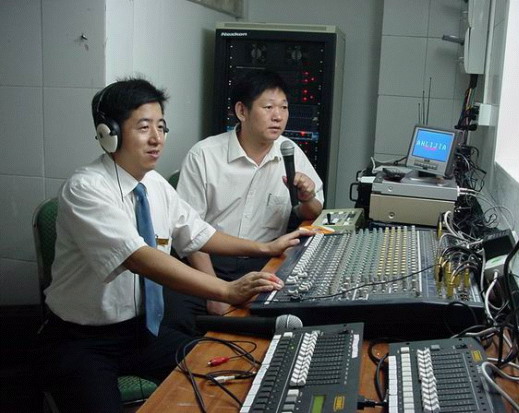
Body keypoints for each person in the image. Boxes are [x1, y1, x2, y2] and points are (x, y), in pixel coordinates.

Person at [40, 77, 307, 413]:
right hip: (81, 341)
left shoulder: (154, 184)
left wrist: (265, 249)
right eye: (144, 127)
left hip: (141, 331)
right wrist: (226, 290)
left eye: (161, 126)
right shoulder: (86, 188)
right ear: (109, 134)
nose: (157, 138)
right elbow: (139, 258)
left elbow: (199, 233)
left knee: (232, 375)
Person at [177, 70, 324, 281]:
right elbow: (189, 232)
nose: (278, 116)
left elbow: (313, 213)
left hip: (266, 261)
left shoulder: (290, 151)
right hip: (211, 262)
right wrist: (215, 289)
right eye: (268, 107)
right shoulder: (204, 155)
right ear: (242, 111)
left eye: (284, 107)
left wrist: (307, 198)